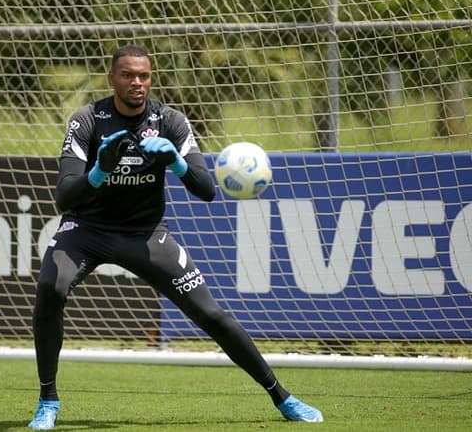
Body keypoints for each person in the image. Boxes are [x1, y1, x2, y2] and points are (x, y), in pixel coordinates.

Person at [28, 44, 323, 430]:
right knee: (51, 288)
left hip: (145, 235)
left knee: (211, 314)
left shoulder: (170, 121)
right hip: (86, 230)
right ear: (112, 78)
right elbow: (64, 196)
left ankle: (282, 397)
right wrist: (100, 169)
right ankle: (48, 399)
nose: (137, 82)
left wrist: (177, 161)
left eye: (144, 76)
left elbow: (206, 189)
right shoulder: (87, 120)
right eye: (128, 75)